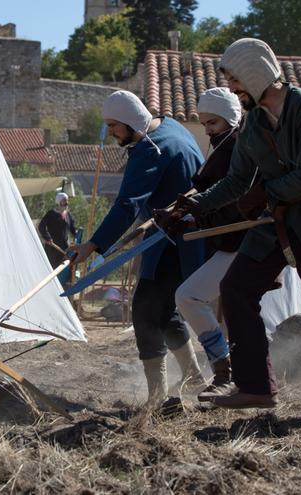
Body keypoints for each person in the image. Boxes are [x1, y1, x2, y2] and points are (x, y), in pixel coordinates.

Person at [172, 39, 301, 417]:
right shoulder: (254, 121)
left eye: (236, 79)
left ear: (255, 74)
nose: (234, 88)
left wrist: (264, 193)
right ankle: (255, 387)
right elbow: (237, 182)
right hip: (278, 222)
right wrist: (195, 206)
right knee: (236, 288)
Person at [66, 90, 207, 410]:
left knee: (145, 311)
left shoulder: (150, 149)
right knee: (164, 310)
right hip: (173, 235)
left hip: (174, 241)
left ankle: (157, 396)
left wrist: (93, 245)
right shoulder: (170, 127)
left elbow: (127, 205)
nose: (112, 133)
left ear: (130, 122)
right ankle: (194, 375)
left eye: (114, 126)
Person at [165, 88, 246, 402]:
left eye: (213, 122)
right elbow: (203, 192)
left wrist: (195, 216)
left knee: (189, 297)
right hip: (229, 243)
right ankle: (231, 374)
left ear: (228, 118)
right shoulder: (223, 149)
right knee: (220, 312)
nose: (209, 130)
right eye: (205, 124)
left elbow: (233, 196)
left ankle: (224, 371)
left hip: (245, 244)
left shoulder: (238, 148)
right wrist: (183, 214)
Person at [38, 192, 77, 268]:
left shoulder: (68, 215)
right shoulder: (51, 214)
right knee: (51, 267)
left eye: (67, 201)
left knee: (63, 268)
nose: (66, 203)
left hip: (64, 248)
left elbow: (72, 228)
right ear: (59, 202)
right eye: (64, 201)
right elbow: (41, 226)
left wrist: (77, 236)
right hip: (52, 247)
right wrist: (48, 238)